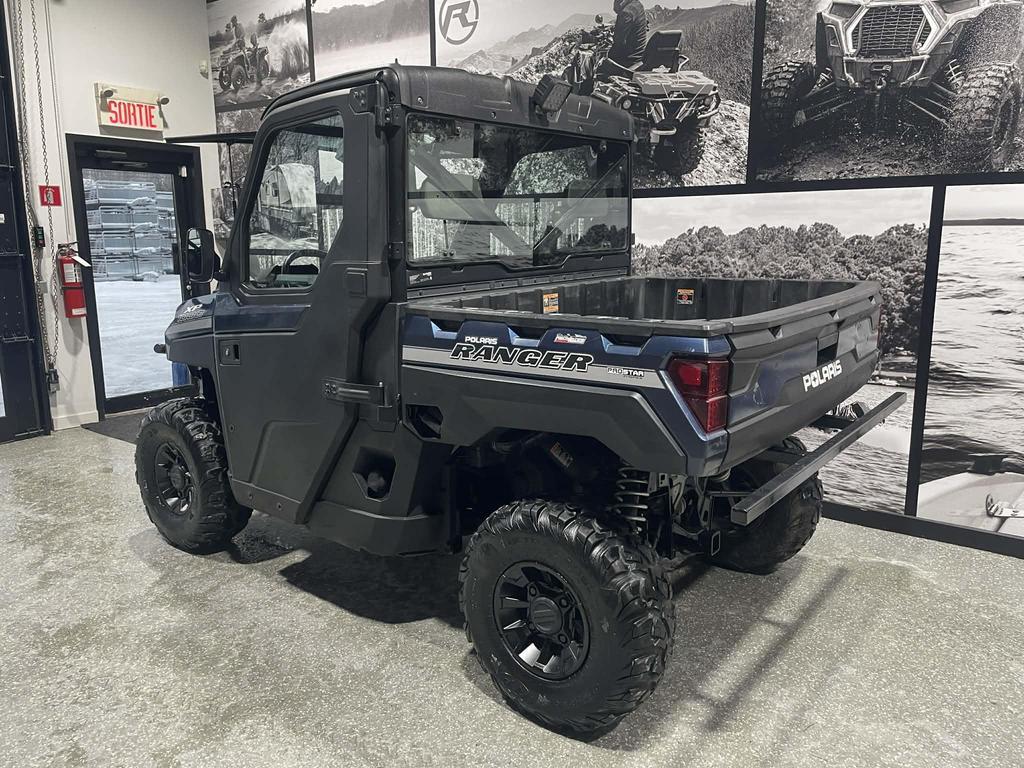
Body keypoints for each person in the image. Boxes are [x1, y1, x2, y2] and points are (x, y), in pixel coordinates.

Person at [604, 0, 648, 73]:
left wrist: (607, 56)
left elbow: (618, 43)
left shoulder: (627, 12)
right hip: (639, 57)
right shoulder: (638, 5)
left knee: (598, 67)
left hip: (628, 61)